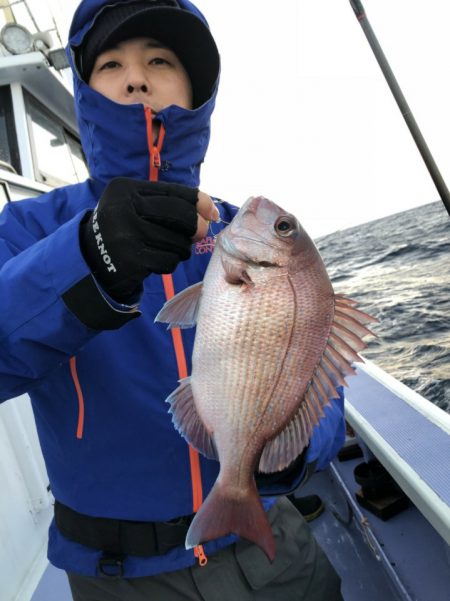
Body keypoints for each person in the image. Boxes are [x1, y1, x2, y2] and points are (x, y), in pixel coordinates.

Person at [0, 1, 346, 599]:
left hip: (270, 546)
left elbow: (324, 378)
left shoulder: (240, 234)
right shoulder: (29, 231)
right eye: (111, 62)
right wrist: (90, 256)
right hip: (119, 575)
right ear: (85, 89)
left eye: (159, 59)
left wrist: (290, 452)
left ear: (197, 88)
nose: (136, 77)